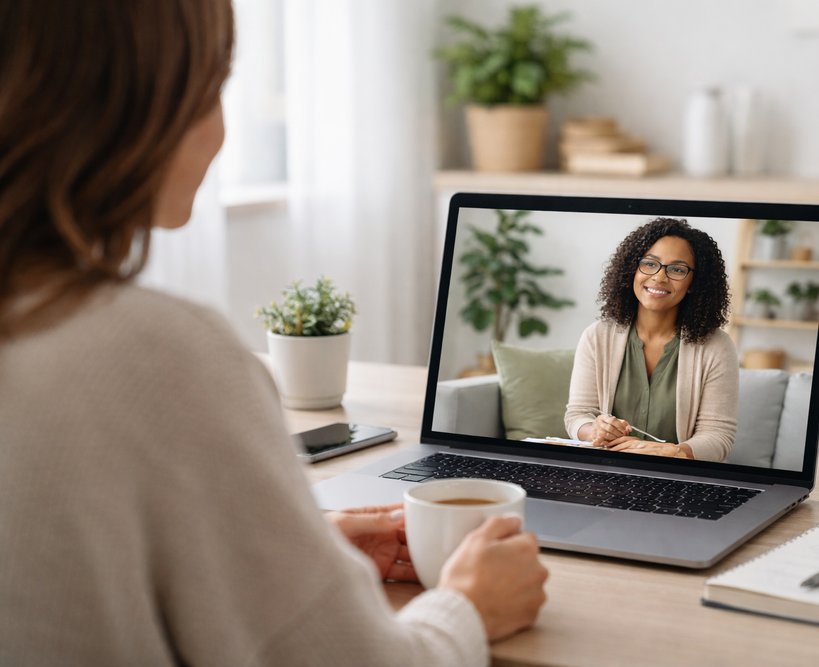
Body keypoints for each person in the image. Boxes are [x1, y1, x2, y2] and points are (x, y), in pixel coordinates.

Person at [0, 1, 547, 665]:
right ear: (131, 104)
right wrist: (467, 606)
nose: (223, 130)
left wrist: (289, 550)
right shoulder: (158, 357)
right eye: (211, 89)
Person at [564, 218, 738, 461]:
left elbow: (718, 436)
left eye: (677, 269)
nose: (659, 277)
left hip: (680, 478)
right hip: (606, 471)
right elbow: (578, 416)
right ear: (632, 270)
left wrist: (674, 452)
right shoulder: (597, 336)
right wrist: (594, 429)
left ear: (693, 284)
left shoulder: (716, 347)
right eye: (650, 263)